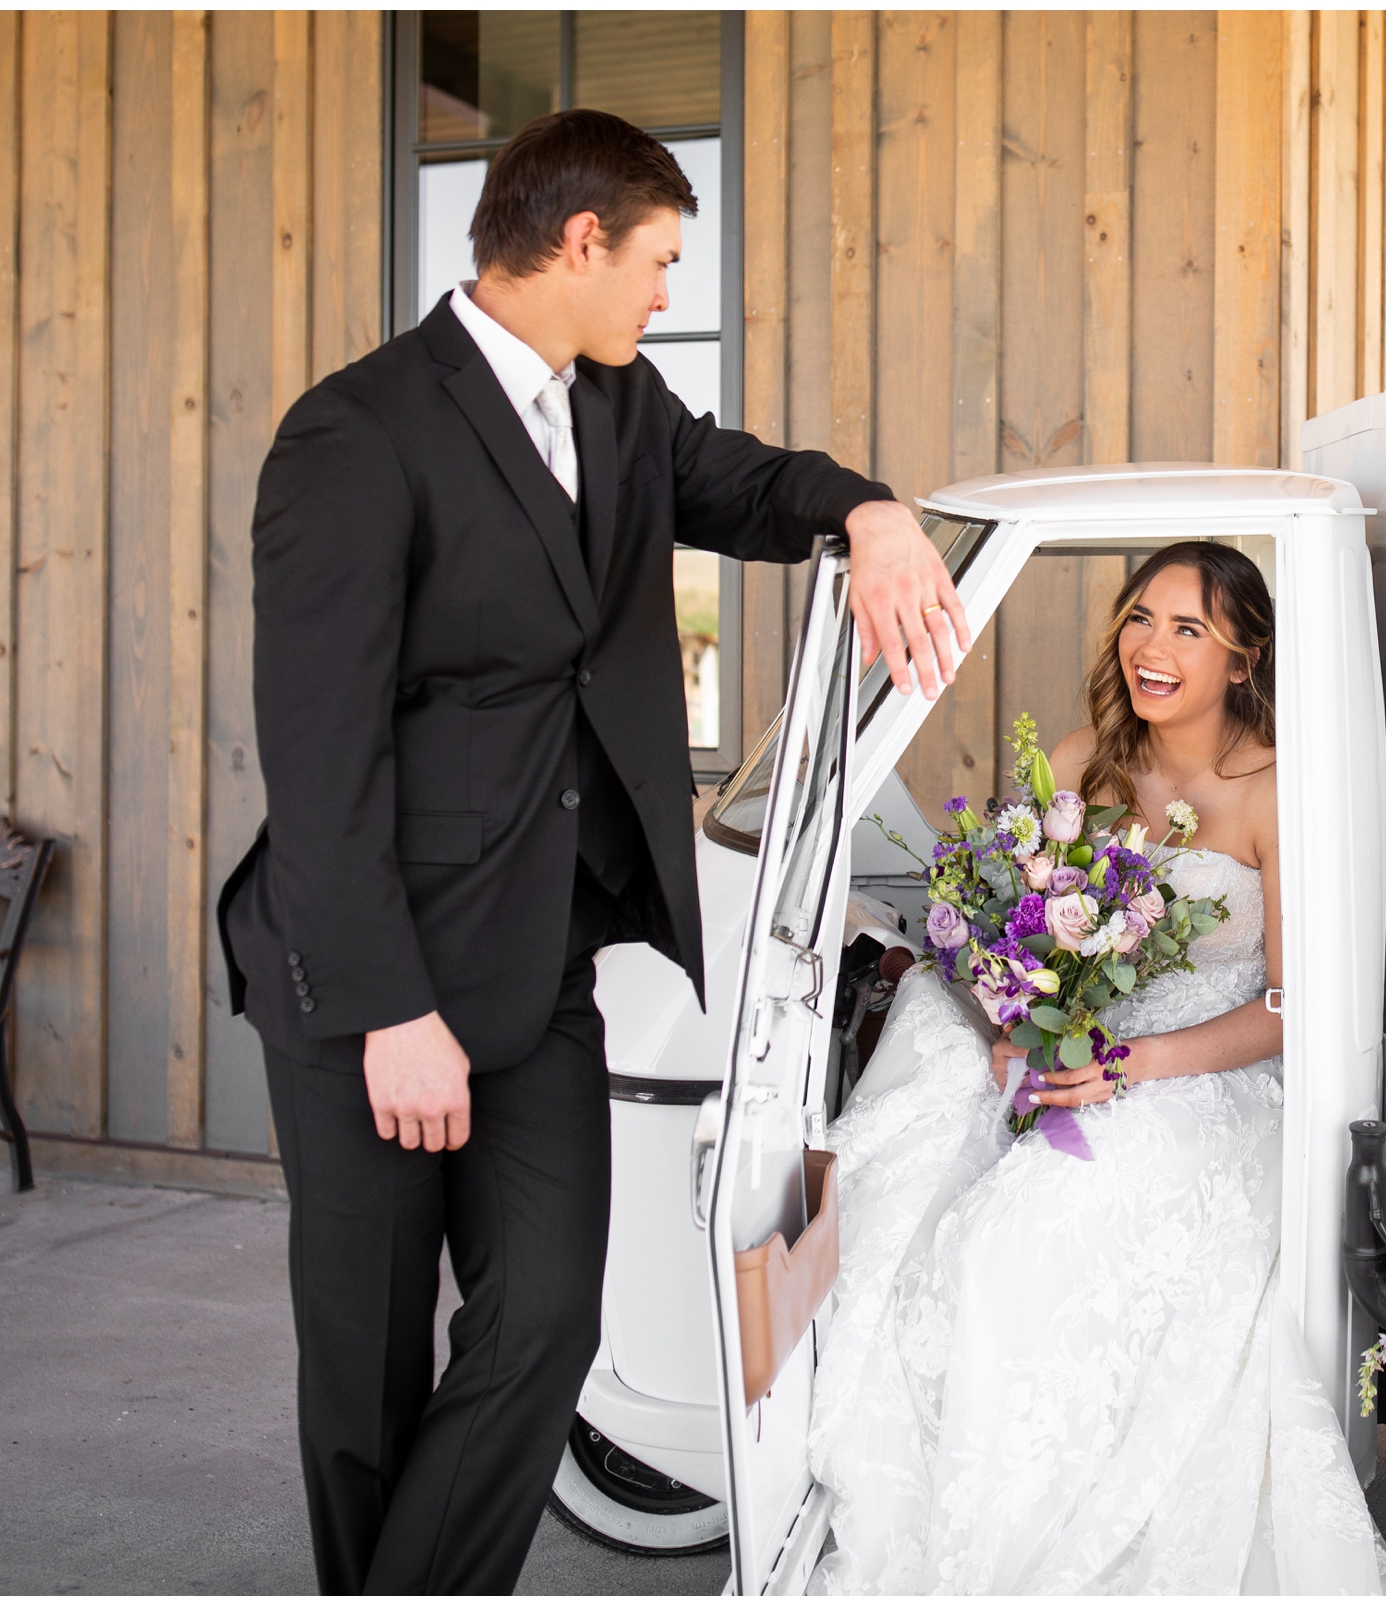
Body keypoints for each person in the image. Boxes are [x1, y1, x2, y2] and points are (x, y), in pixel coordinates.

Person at [215, 108, 969, 1595]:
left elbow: (749, 487)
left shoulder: (622, 406)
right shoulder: (355, 434)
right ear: (577, 245)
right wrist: (387, 1009)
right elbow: (317, 758)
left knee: (550, 1318)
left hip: (547, 952)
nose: (665, 296)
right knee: (366, 1364)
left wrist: (870, 514)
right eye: (658, 262)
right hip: (368, 966)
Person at [806, 542, 1386, 1594]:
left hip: (1199, 1075)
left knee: (1011, 1244)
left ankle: (1033, 1531)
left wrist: (1133, 1064)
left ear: (1244, 656)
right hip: (1073, 1052)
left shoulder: (1278, 787)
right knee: (930, 1151)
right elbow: (993, 925)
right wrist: (1011, 1014)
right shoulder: (1084, 758)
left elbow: (1294, 1006)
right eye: (1139, 618)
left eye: (1189, 629)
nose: (1152, 647)